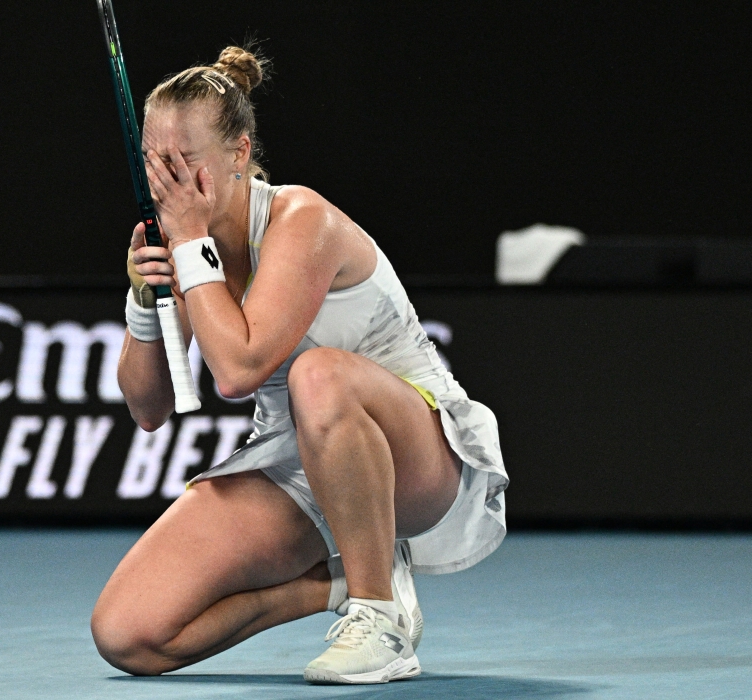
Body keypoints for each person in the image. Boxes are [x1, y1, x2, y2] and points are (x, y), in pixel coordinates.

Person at [90, 45, 509, 685]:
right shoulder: (180, 240)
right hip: (301, 456)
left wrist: (191, 250)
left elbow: (237, 372)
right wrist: (145, 301)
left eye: (184, 162)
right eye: (153, 160)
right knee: (130, 635)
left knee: (318, 376)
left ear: (238, 153)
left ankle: (380, 621)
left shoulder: (301, 219)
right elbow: (148, 410)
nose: (166, 180)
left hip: (417, 455)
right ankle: (341, 584)